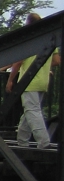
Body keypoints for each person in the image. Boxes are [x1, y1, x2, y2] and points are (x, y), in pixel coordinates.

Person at [7, 13, 60, 149]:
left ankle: (44, 142)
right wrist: (43, 66)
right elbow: (56, 61)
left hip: (29, 81)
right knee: (30, 111)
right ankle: (22, 141)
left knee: (32, 111)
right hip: (43, 80)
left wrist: (11, 80)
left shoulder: (28, 39)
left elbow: (18, 62)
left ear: (28, 23)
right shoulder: (48, 38)